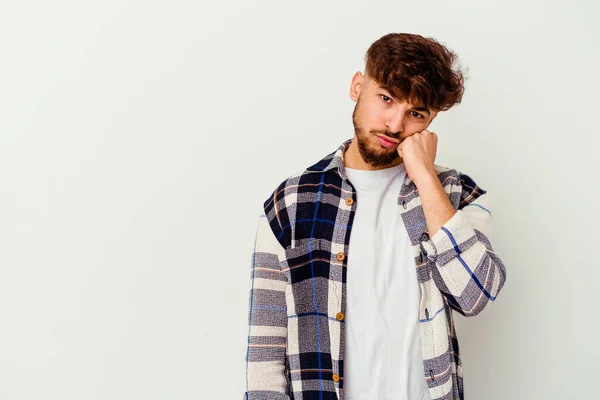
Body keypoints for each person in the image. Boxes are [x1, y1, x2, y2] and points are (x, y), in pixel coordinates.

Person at [243, 32, 507, 400]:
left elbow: (474, 296)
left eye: (416, 113)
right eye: (386, 98)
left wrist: (425, 177)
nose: (395, 125)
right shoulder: (292, 202)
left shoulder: (457, 194)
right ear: (357, 86)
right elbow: (266, 348)